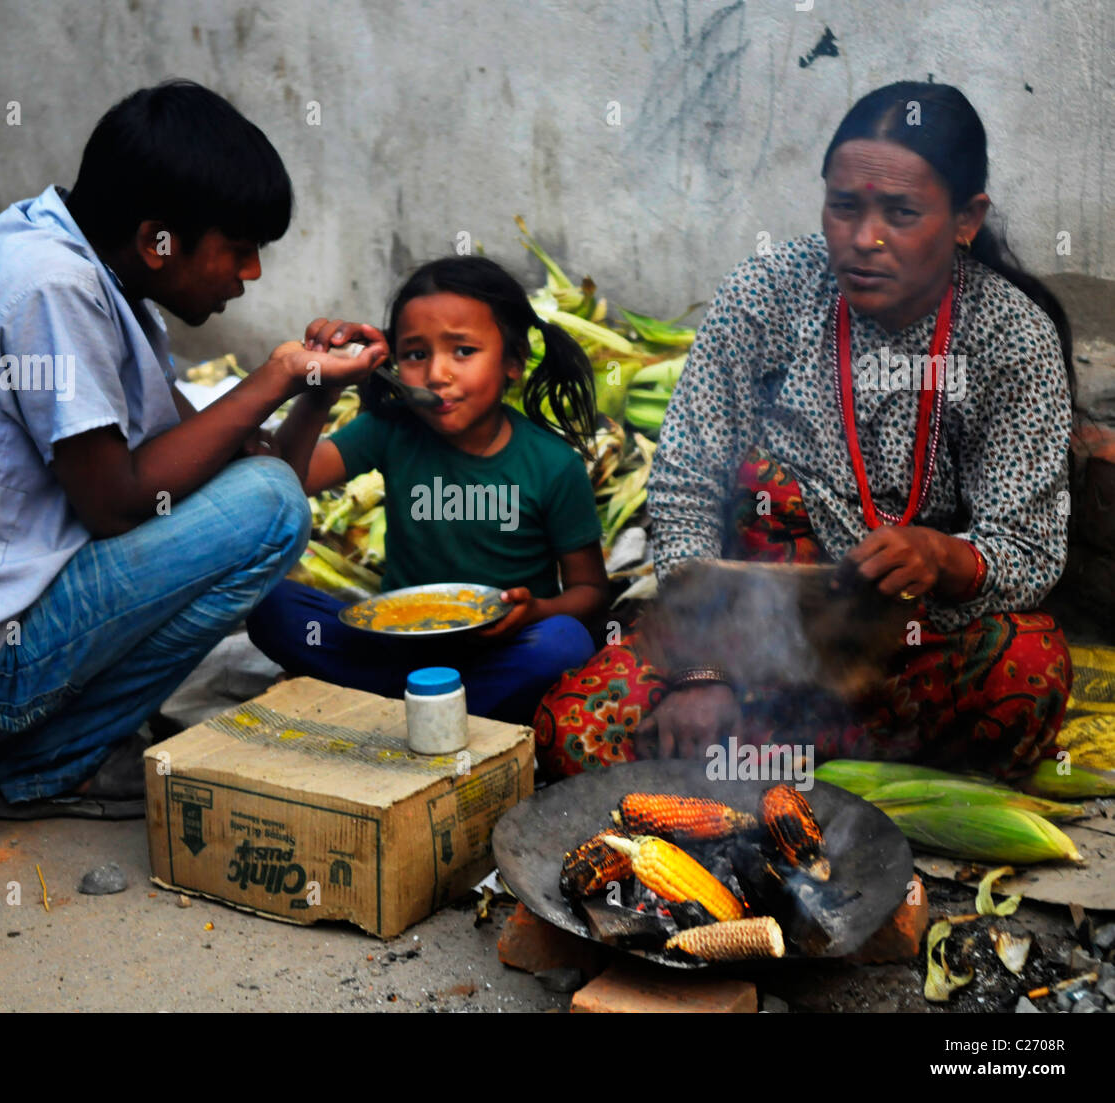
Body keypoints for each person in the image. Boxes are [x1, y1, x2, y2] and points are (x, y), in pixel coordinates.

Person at [0, 81, 385, 818]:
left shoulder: (67, 255)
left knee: (261, 496)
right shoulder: (52, 289)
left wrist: (310, 387)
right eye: (238, 251)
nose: (252, 276)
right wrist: (273, 373)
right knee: (271, 510)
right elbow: (119, 504)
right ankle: (54, 756)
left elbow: (244, 458)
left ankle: (41, 730)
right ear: (158, 240)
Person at [534, 81, 1073, 781]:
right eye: (843, 207)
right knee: (570, 730)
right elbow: (685, 490)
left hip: (909, 648)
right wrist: (700, 671)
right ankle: (804, 762)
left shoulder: (1009, 337)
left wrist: (946, 557)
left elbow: (1028, 548)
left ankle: (780, 768)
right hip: (744, 643)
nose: (864, 239)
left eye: (901, 213)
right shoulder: (769, 294)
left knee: (1028, 669)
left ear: (967, 218)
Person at [248, 256, 610, 723]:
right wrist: (320, 390)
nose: (438, 374)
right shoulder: (389, 430)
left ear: (513, 362)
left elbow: (590, 592)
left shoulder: (553, 465)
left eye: (463, 351)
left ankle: (405, 716)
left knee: (564, 642)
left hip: (499, 653)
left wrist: (536, 611)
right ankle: (431, 715)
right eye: (416, 355)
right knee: (271, 606)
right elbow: (289, 481)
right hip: (397, 650)